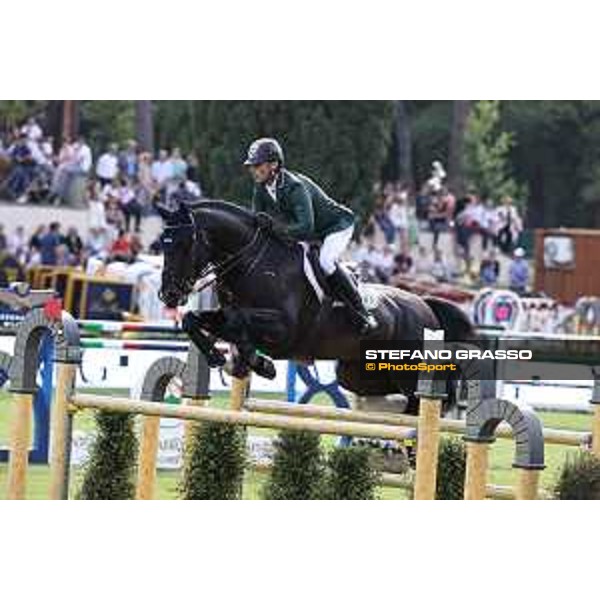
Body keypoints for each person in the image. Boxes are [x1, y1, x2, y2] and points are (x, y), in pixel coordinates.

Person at [244, 137, 377, 333]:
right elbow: (256, 220)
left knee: (326, 262)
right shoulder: (260, 188)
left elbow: (305, 227)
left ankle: (362, 311)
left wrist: (274, 228)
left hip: (336, 226)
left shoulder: (294, 186)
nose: (253, 170)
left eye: (258, 165)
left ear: (274, 164)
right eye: (252, 166)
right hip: (312, 232)